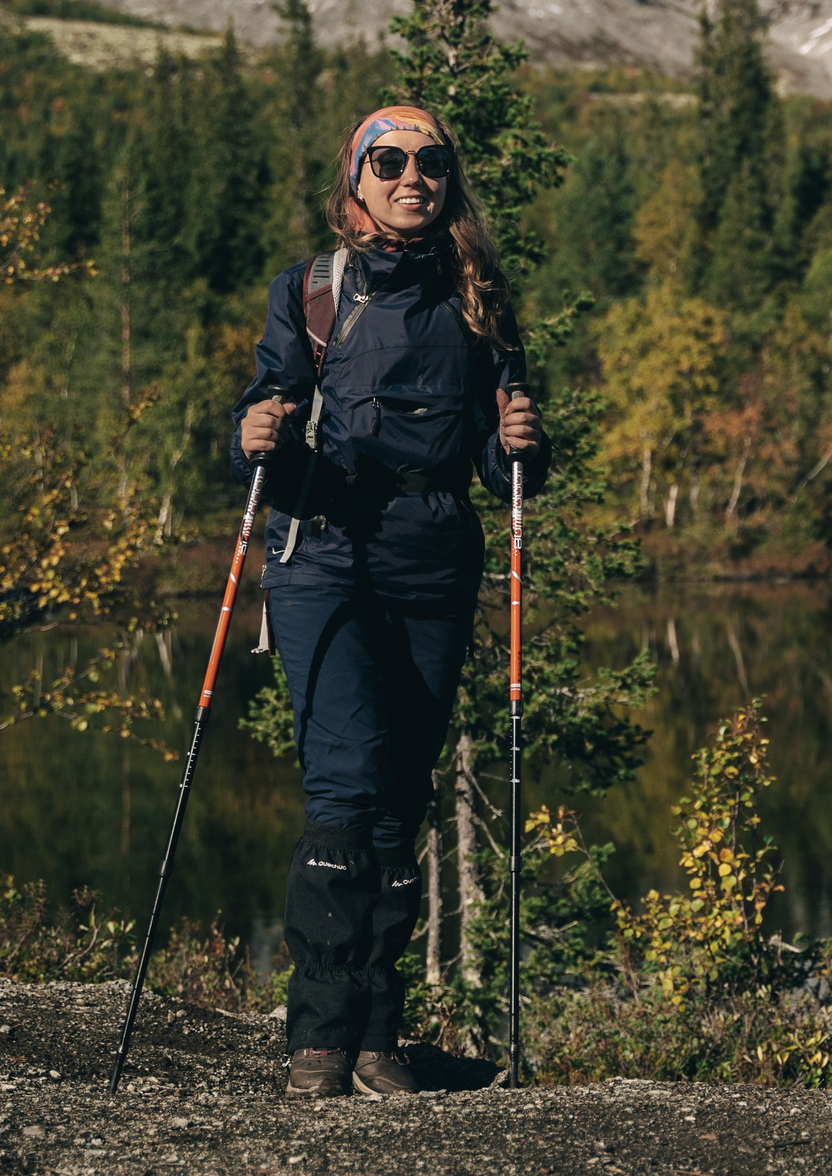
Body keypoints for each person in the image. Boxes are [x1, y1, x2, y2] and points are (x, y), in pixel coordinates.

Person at [230, 103, 546, 1099]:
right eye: (391, 160)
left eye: (432, 162)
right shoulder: (312, 291)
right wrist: (254, 429)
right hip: (323, 555)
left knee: (401, 795)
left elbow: (508, 469)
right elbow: (267, 412)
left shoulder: (482, 300)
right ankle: (317, 1041)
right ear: (355, 179)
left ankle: (376, 1038)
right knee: (347, 784)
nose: (414, 176)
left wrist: (521, 443)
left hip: (432, 560)